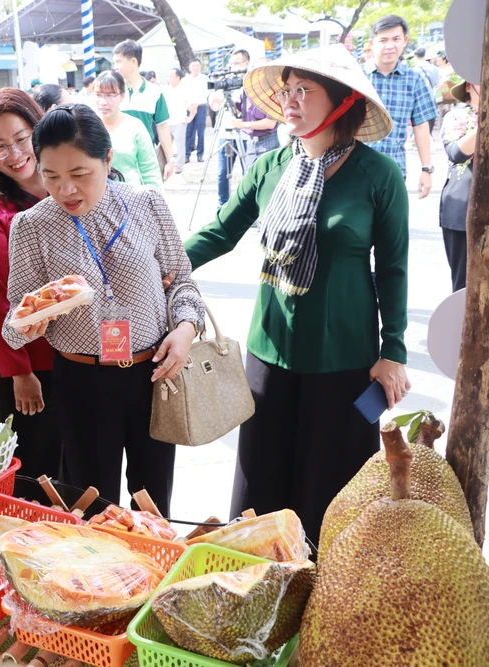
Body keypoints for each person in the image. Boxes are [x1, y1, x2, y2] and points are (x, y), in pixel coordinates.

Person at [185, 45, 410, 543]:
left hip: (346, 359)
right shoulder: (270, 168)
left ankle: (327, 589)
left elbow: (393, 268)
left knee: (333, 484)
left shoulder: (378, 176)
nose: (290, 100)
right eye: (287, 89)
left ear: (343, 103)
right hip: (269, 353)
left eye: (304, 90)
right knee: (260, 479)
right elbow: (221, 231)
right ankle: (257, 582)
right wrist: (161, 264)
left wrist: (392, 352)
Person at [2, 104, 204, 512]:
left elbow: (183, 282)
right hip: (82, 381)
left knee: (154, 504)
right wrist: (30, 322)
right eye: (52, 176)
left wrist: (185, 329)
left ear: (107, 159)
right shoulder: (31, 226)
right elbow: (13, 320)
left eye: (80, 175)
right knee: (92, 505)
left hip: (154, 374)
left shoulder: (146, 204)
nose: (66, 191)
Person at [0, 88, 63, 481]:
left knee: (85, 470)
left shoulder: (69, 181)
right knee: (38, 472)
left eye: (22, 138)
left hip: (89, 354)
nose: (15, 153)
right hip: (32, 365)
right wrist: (19, 372)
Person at [365, 15, 438, 198]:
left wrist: (426, 169)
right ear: (372, 43)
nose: (390, 45)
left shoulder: (414, 80)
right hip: (354, 169)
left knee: (390, 226)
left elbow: (421, 126)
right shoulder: (357, 77)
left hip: (394, 169)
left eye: (396, 39)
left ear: (405, 41)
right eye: (383, 40)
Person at [216, 50, 279, 206]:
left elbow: (270, 123)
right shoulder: (247, 90)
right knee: (250, 179)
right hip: (250, 142)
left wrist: (243, 125)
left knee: (268, 181)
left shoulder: (274, 92)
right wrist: (223, 97)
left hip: (268, 141)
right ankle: (253, 214)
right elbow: (237, 109)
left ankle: (269, 214)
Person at [111, 39, 175, 180]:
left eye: (118, 61)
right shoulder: (111, 91)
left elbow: (162, 127)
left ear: (133, 62)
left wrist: (170, 159)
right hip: (115, 160)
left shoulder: (155, 92)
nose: (115, 67)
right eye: (115, 62)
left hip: (145, 160)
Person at [439, 79, 479, 293]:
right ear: (467, 86)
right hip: (461, 209)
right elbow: (456, 154)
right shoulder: (456, 116)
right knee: (464, 287)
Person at [94, 72, 162, 190]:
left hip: (130, 199)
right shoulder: (87, 126)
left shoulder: (135, 127)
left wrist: (156, 203)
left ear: (122, 96)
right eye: (98, 95)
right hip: (94, 200)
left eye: (110, 95)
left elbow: (150, 171)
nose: (103, 102)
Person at [164, 68, 192, 174]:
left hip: (179, 122)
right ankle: (168, 163)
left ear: (178, 77)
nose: (169, 78)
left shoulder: (184, 89)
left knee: (180, 145)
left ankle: (179, 166)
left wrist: (190, 117)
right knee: (167, 145)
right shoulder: (165, 89)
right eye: (168, 76)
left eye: (171, 76)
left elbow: (192, 105)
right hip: (167, 122)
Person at [183, 59, 210, 163]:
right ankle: (187, 155)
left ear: (200, 67)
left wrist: (197, 104)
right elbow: (183, 94)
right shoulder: (186, 80)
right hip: (189, 108)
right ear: (190, 68)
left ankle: (200, 154)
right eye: (193, 66)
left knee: (201, 132)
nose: (195, 68)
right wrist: (188, 105)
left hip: (200, 106)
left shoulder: (204, 78)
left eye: (197, 66)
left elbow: (206, 93)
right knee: (188, 132)